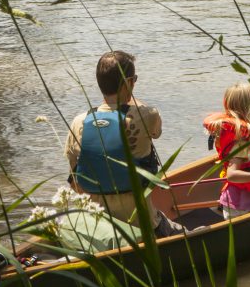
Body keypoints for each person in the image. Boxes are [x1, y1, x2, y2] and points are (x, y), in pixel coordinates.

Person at [64, 50, 183, 237]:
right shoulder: (147, 115)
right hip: (142, 225)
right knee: (186, 233)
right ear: (129, 82)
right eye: (134, 79)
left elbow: (75, 180)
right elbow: (157, 132)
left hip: (99, 228)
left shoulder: (79, 122)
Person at [203, 83, 250, 219]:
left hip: (245, 199)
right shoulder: (242, 140)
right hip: (241, 206)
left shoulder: (246, 132)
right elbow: (232, 175)